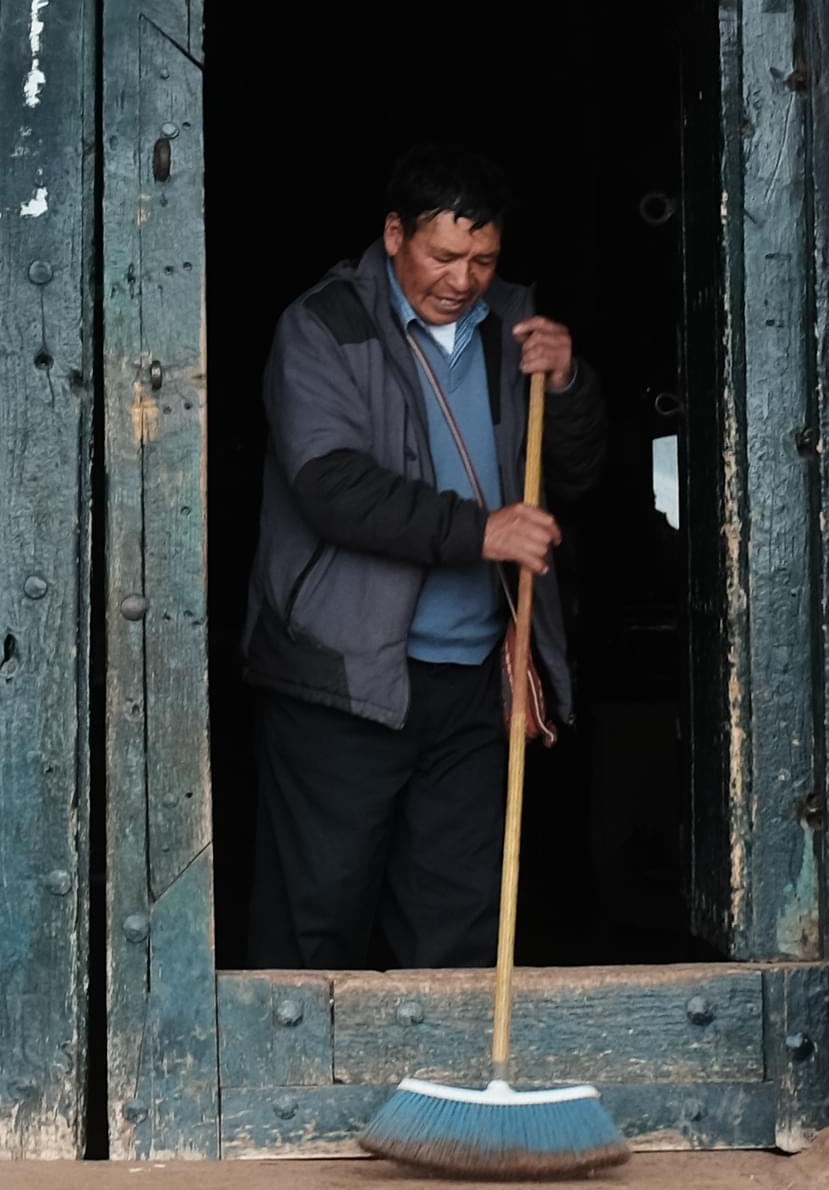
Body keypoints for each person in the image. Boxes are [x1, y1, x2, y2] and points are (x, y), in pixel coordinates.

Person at [240, 147, 607, 970]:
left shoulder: (518, 329)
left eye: (483, 259)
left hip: (476, 680)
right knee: (317, 915)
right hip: (343, 678)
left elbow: (576, 474)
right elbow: (330, 484)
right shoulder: (325, 325)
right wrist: (481, 533)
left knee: (458, 922)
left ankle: (439, 1095)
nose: (463, 279)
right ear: (394, 233)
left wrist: (572, 383)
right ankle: (298, 1099)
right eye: (443, 256)